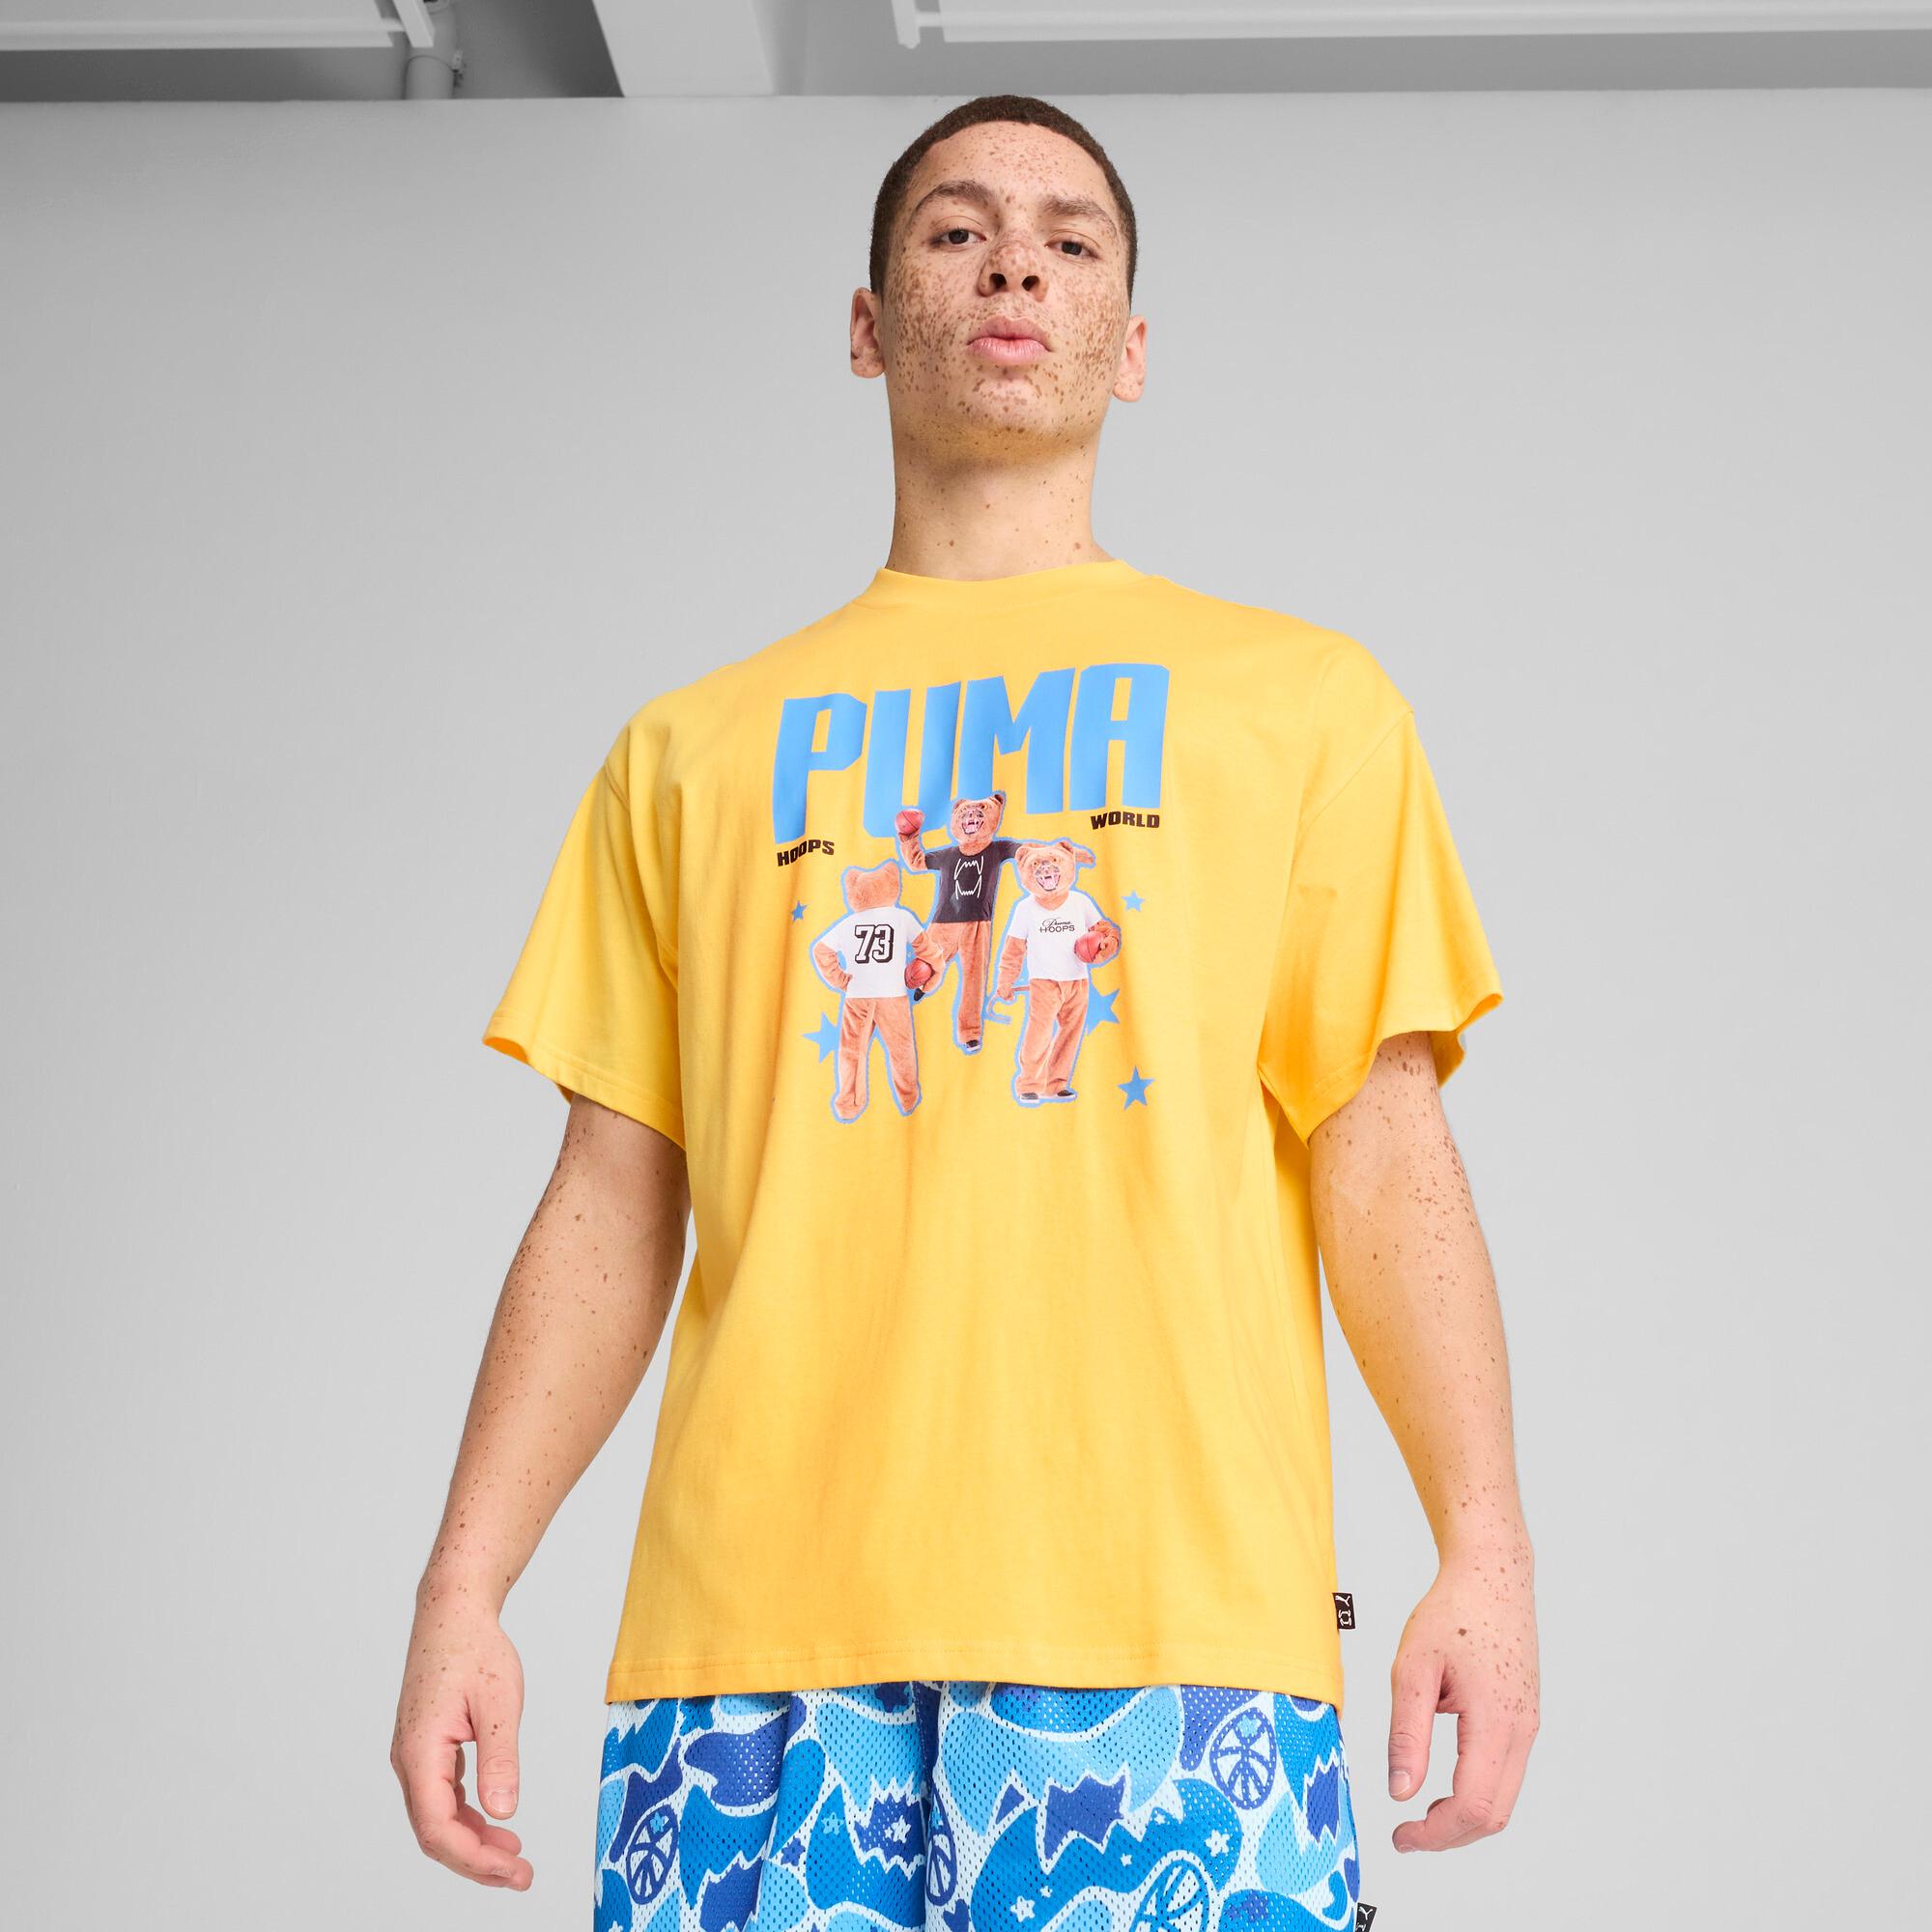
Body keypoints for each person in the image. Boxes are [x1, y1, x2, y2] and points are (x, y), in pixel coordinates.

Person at [389, 93, 1539, 1928]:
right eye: (956, 230)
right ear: (866, 326)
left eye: (1072, 241)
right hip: (748, 1664)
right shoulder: (689, 752)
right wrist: (466, 1587)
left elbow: (1382, 1144)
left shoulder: (1305, 707)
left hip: (1176, 1644)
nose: (1016, 264)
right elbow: (611, 1200)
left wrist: (1483, 1551)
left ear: (1130, 345)